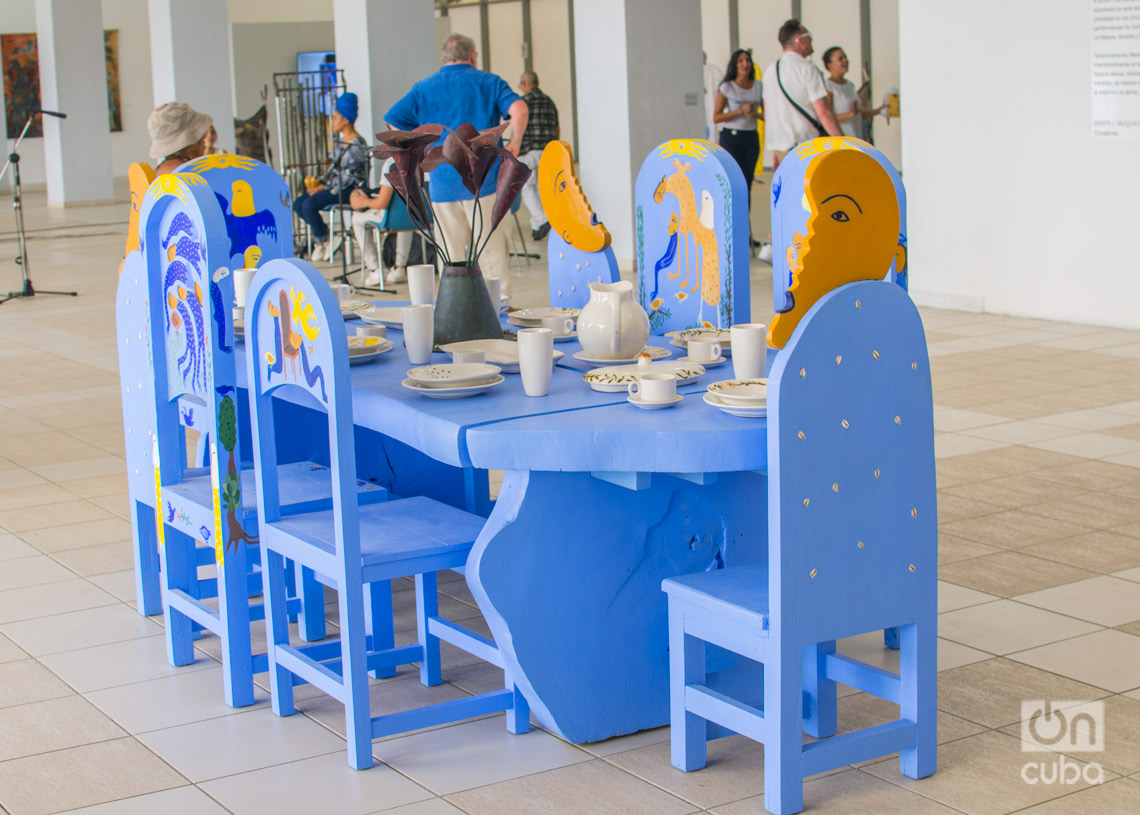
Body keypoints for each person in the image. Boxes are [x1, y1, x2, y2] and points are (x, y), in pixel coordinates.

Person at [385, 34, 528, 296]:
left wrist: (416, 149)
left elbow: (393, 120)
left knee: (450, 254)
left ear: (444, 57)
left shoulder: (423, 88)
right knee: (491, 250)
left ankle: (455, 311)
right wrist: (515, 143)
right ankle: (499, 313)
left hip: (442, 183)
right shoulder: (489, 82)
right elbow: (518, 110)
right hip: (485, 182)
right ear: (472, 55)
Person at [293, 92, 369, 262]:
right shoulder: (341, 143)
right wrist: (319, 183)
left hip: (350, 190)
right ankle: (324, 235)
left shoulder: (356, 145)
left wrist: (324, 188)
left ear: (345, 119)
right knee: (299, 203)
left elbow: (348, 177)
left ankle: (321, 240)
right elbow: (333, 171)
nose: (332, 122)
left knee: (309, 204)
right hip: (335, 186)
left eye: (335, 118)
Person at [761, 19, 842, 170]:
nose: (811, 39)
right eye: (808, 35)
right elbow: (824, 112)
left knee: (789, 192)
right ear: (799, 40)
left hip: (781, 147)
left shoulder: (770, 70)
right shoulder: (807, 69)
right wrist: (843, 144)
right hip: (805, 148)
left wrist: (776, 147)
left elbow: (769, 113)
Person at [713, 49, 763, 217]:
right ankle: (730, 224)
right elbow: (717, 117)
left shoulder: (758, 86)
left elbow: (768, 114)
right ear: (735, 65)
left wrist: (756, 115)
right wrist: (740, 111)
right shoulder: (727, 87)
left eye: (747, 60)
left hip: (750, 138)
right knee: (734, 183)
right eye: (741, 61)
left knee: (747, 183)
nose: (745, 64)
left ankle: (746, 231)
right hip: (731, 138)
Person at [348, 157, 413, 285]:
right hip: (419, 217)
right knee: (407, 215)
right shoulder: (423, 157)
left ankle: (375, 269)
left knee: (356, 218)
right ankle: (399, 267)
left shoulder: (392, 163)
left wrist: (364, 202)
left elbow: (382, 203)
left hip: (389, 218)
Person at [517, 70, 559, 241]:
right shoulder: (549, 102)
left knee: (527, 186)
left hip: (528, 152)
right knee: (545, 189)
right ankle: (537, 226)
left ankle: (542, 219)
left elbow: (518, 128)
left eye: (521, 85)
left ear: (526, 85)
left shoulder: (522, 102)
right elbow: (556, 127)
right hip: (547, 151)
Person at [821, 46, 885, 139]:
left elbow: (858, 116)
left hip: (857, 141)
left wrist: (880, 110)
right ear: (830, 64)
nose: (845, 61)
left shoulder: (850, 85)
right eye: (840, 59)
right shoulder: (828, 87)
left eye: (845, 57)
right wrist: (850, 114)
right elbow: (828, 118)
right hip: (842, 144)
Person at [147, 102, 212, 176]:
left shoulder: (157, 172)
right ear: (189, 145)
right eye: (202, 136)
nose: (204, 141)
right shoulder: (192, 176)